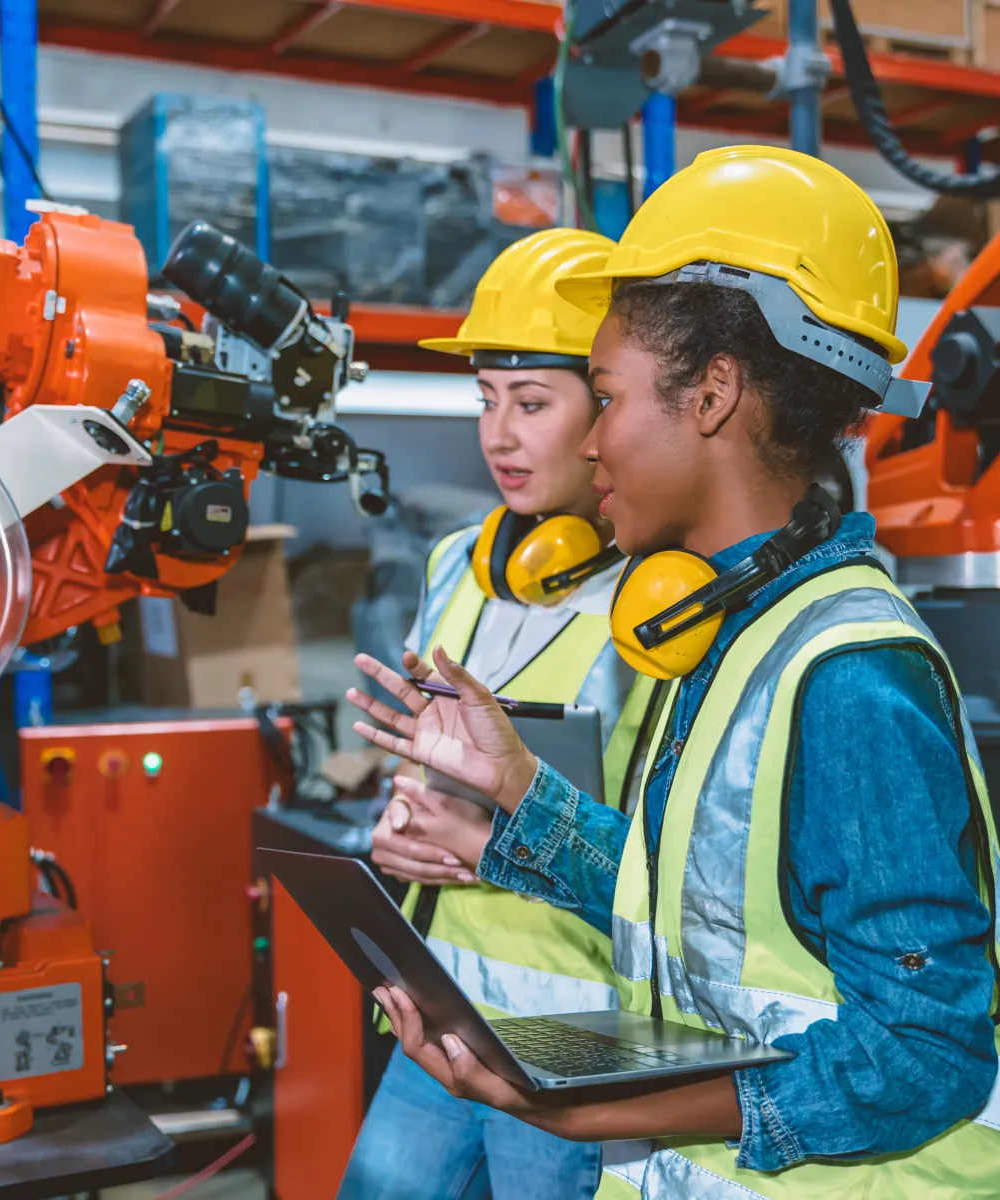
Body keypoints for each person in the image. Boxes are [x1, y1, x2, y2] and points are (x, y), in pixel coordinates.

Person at [348, 147, 1000, 1199]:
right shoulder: (723, 635)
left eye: (602, 395)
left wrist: (573, 1101)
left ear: (714, 393)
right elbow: (697, 921)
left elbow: (924, 1059)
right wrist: (522, 794)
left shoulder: (850, 675)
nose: (590, 449)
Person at [338, 227, 660, 1200]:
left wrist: (489, 836)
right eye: (484, 400)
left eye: (531, 402)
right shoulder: (457, 567)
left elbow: (665, 856)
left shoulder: (654, 607)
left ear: (603, 409)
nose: (498, 435)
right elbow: (423, 763)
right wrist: (395, 824)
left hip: (576, 1031)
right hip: (441, 999)